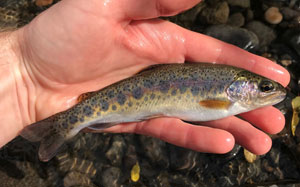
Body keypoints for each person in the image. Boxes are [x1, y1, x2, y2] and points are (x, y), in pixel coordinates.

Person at [0, 0, 290, 155]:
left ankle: (62, 125)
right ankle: (65, 123)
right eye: (264, 87)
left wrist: (21, 68)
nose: (271, 92)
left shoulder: (228, 98)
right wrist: (22, 63)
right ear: (237, 87)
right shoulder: (222, 101)